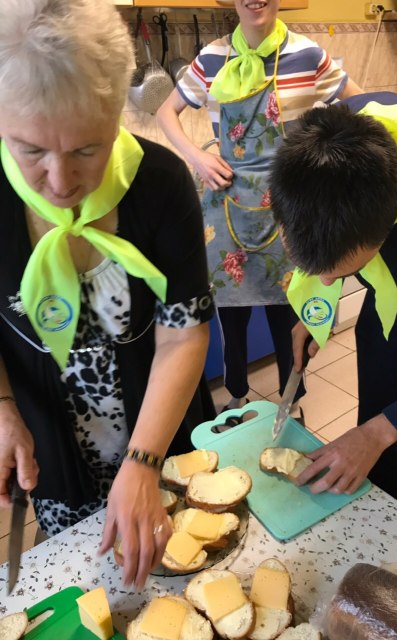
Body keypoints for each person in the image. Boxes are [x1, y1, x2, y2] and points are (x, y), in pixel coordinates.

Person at [0, 0, 215, 588]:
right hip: (53, 450)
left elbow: (182, 335)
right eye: (31, 149)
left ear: (117, 114)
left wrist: (143, 462)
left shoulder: (161, 184)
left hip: (159, 436)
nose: (60, 181)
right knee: (84, 587)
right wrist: (4, 409)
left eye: (86, 150)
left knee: (180, 575)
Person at [269, 92, 397, 532]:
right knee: (369, 444)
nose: (328, 283)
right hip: (387, 318)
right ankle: (370, 536)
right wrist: (315, 308)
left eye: (343, 273)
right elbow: (324, 238)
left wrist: (381, 431)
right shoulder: (328, 140)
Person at [157, 0, 363, 413]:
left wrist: (326, 159)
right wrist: (197, 157)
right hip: (227, 206)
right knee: (232, 320)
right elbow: (166, 112)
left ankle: (291, 402)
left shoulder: (307, 55)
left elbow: (363, 104)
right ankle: (237, 397)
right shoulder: (213, 57)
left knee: (289, 316)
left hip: (291, 208)